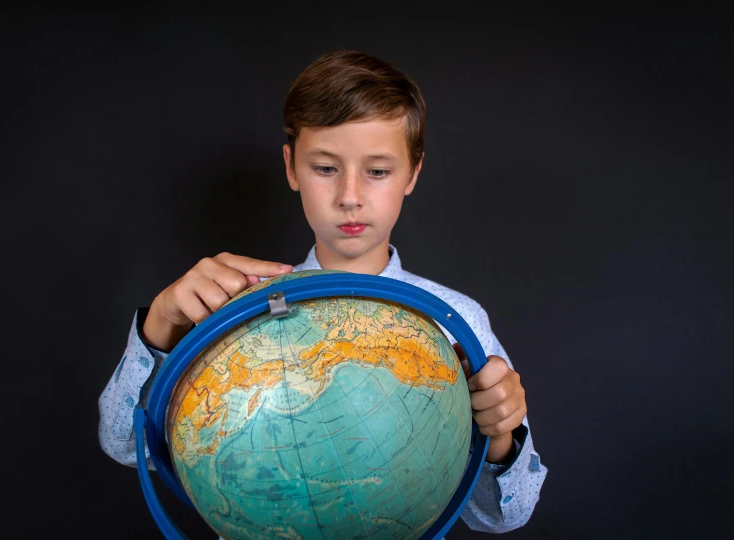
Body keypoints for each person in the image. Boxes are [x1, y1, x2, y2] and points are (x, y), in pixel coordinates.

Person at [98, 49, 548, 535]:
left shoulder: (457, 320)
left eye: (378, 171)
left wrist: (501, 437)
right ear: (291, 167)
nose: (350, 195)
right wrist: (161, 326)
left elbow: (503, 515)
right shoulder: (234, 314)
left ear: (413, 173)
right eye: (326, 168)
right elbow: (124, 445)